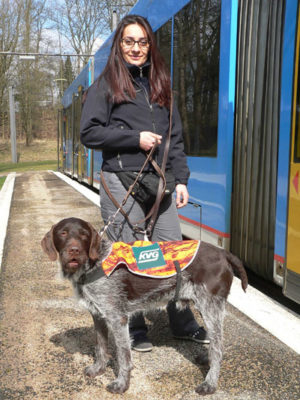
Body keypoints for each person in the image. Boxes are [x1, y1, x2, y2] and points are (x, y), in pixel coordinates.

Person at [80, 14, 209, 352]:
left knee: (172, 253)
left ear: (150, 45)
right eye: (129, 41)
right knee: (129, 257)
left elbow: (174, 139)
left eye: (142, 42)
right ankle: (135, 327)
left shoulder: (161, 84)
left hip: (160, 182)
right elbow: (89, 132)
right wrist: (132, 138)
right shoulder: (106, 85)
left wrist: (181, 180)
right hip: (120, 179)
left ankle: (181, 321)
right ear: (119, 46)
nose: (136, 48)